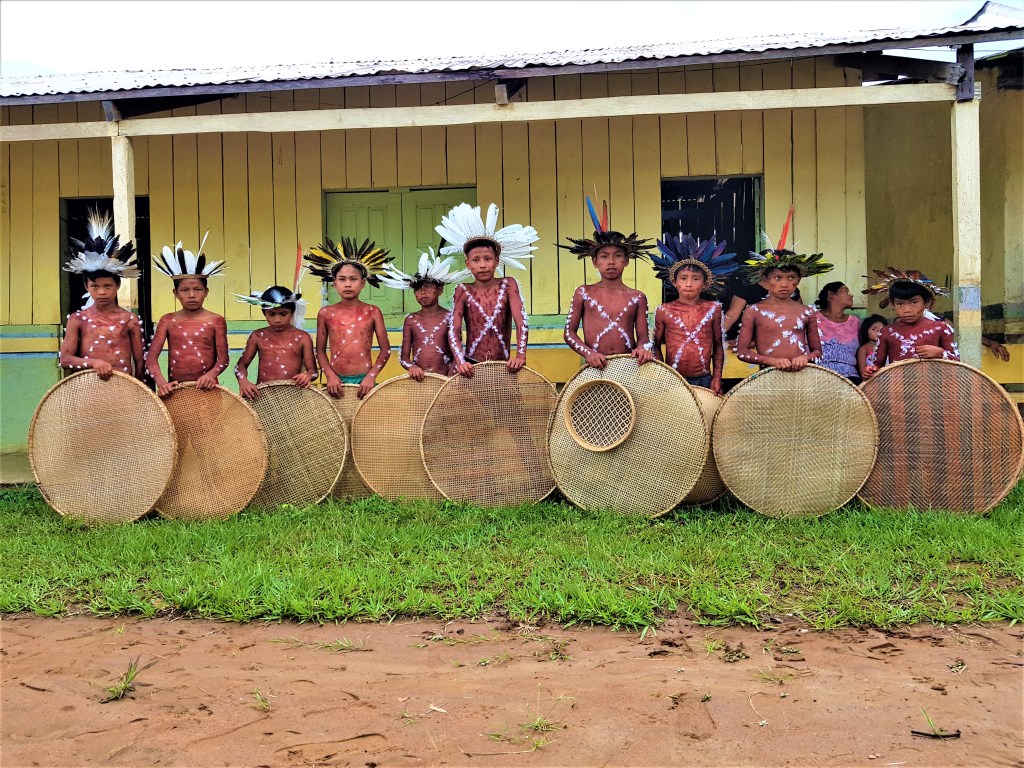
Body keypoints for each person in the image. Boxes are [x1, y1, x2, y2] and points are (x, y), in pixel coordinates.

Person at [434, 202, 539, 377]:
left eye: (487, 258)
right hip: (471, 366)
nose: (482, 265)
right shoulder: (463, 290)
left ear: (497, 261)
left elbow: (522, 322)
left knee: (507, 404)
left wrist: (520, 355)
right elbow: (454, 329)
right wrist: (460, 361)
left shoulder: (508, 285)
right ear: (468, 264)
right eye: (476, 260)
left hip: (504, 365)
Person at [560, 197, 656, 369]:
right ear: (595, 262)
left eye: (617, 256)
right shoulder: (583, 293)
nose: (611, 261)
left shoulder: (637, 297)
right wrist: (589, 353)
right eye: (604, 256)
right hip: (594, 366)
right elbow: (569, 333)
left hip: (628, 366)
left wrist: (643, 348)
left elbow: (643, 338)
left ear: (626, 261)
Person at [733, 208, 833, 371]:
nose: (785, 284)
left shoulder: (807, 312)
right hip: (768, 378)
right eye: (778, 278)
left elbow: (818, 352)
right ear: (766, 280)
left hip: (801, 377)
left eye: (791, 278)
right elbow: (742, 352)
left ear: (798, 280)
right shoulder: (754, 311)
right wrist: (771, 361)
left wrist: (805, 357)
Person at [58, 210, 144, 380]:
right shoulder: (77, 319)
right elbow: (65, 359)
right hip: (89, 390)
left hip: (124, 389)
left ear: (118, 285)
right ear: (86, 286)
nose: (102, 292)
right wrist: (94, 363)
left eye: (107, 286)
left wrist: (142, 392)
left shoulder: (130, 319)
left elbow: (140, 362)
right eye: (95, 286)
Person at [649, 231, 739, 393]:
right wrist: (663, 375)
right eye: (683, 278)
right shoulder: (664, 310)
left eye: (695, 278)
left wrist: (716, 378)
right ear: (675, 282)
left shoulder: (713, 309)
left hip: (704, 378)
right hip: (673, 378)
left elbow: (718, 346)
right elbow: (655, 346)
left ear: (705, 284)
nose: (689, 284)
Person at [304, 236, 393, 399]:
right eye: (342, 279)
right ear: (334, 283)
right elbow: (321, 352)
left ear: (363, 282)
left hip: (366, 381)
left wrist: (371, 376)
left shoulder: (372, 311)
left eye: (353, 279)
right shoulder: (326, 313)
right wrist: (330, 375)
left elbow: (385, 350)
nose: (347, 284)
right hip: (336, 382)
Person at [146, 233, 229, 397]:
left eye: (197, 290)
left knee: (210, 424)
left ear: (206, 292)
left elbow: (223, 359)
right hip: (175, 391)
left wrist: (211, 375)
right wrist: (162, 384)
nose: (191, 295)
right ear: (175, 293)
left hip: (208, 390)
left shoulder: (216, 320)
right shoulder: (168, 320)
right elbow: (151, 359)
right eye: (185, 290)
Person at [380, 248, 469, 380]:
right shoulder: (411, 320)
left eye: (427, 287)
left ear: (439, 290)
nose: (422, 292)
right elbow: (404, 358)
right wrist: (412, 367)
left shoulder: (450, 317)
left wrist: (450, 378)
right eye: (417, 289)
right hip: (420, 383)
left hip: (446, 380)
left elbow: (457, 352)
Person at [862, 267, 958, 376]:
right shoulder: (886, 332)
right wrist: (870, 371)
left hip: (933, 388)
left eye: (914, 302)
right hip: (899, 388)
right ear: (893, 305)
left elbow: (957, 363)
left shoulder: (941, 328)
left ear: (926, 302)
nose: (907, 310)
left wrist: (940, 353)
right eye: (900, 304)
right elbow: (877, 365)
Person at [232, 284, 317, 399]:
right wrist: (243, 382)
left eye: (283, 314)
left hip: (294, 397)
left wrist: (307, 376)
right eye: (271, 314)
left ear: (292, 313)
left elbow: (313, 371)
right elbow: (240, 366)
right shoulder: (257, 336)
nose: (277, 320)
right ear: (264, 313)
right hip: (263, 396)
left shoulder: (303, 337)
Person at [814, 281, 862, 383]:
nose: (851, 295)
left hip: (851, 378)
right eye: (845, 291)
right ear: (831, 295)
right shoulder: (813, 318)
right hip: (818, 375)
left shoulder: (855, 322)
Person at [857, 314, 888, 380]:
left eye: (881, 329)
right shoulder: (864, 349)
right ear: (866, 332)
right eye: (874, 329)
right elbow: (863, 371)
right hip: (871, 381)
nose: (878, 331)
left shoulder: (889, 347)